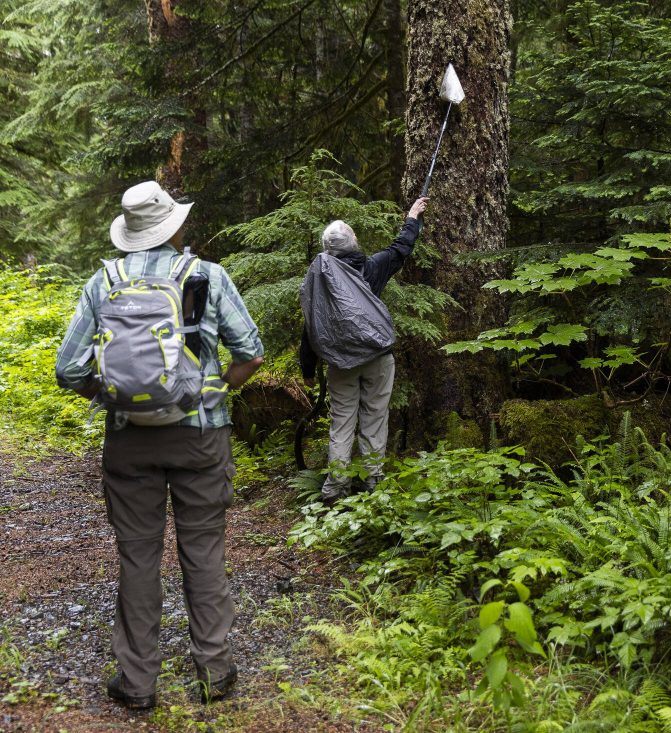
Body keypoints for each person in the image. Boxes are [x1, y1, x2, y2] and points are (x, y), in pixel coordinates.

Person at [55, 181, 265, 709]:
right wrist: (213, 391)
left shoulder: (102, 283)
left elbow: (67, 368)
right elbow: (251, 353)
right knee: (204, 551)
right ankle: (215, 673)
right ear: (174, 225)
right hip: (200, 437)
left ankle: (137, 683)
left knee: (138, 557)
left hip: (129, 442)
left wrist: (114, 398)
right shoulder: (206, 276)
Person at [299, 197, 429, 502]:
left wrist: (306, 368)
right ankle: (373, 483)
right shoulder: (372, 268)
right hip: (377, 357)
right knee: (374, 418)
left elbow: (311, 326)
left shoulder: (319, 279)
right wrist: (412, 217)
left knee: (342, 422)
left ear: (327, 249)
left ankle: (336, 489)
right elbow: (401, 248)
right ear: (354, 242)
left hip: (340, 364)